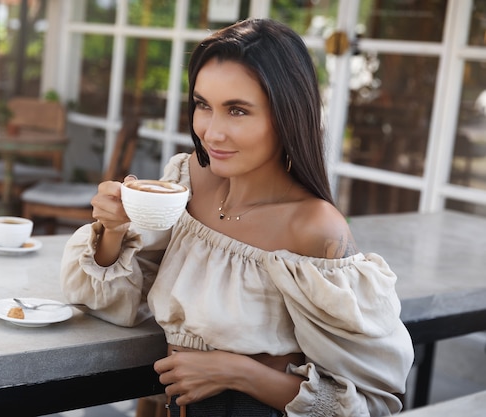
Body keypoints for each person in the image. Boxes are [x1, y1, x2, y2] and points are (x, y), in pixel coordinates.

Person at [60, 18, 414, 417]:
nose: (212, 133)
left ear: (287, 116)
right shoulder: (188, 179)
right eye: (203, 105)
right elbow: (112, 302)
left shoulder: (315, 228)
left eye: (238, 111)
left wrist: (238, 372)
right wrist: (113, 227)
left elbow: (370, 403)